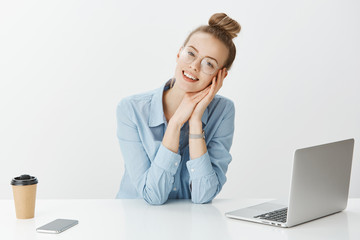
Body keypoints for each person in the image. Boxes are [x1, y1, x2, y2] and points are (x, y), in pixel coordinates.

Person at [116, 13, 241, 205]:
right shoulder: (131, 109)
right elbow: (153, 196)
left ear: (220, 76)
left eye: (209, 64)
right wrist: (175, 123)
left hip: (188, 225)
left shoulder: (223, 111)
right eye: (191, 53)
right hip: (136, 220)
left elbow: (203, 195)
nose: (194, 66)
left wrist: (195, 121)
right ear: (178, 54)